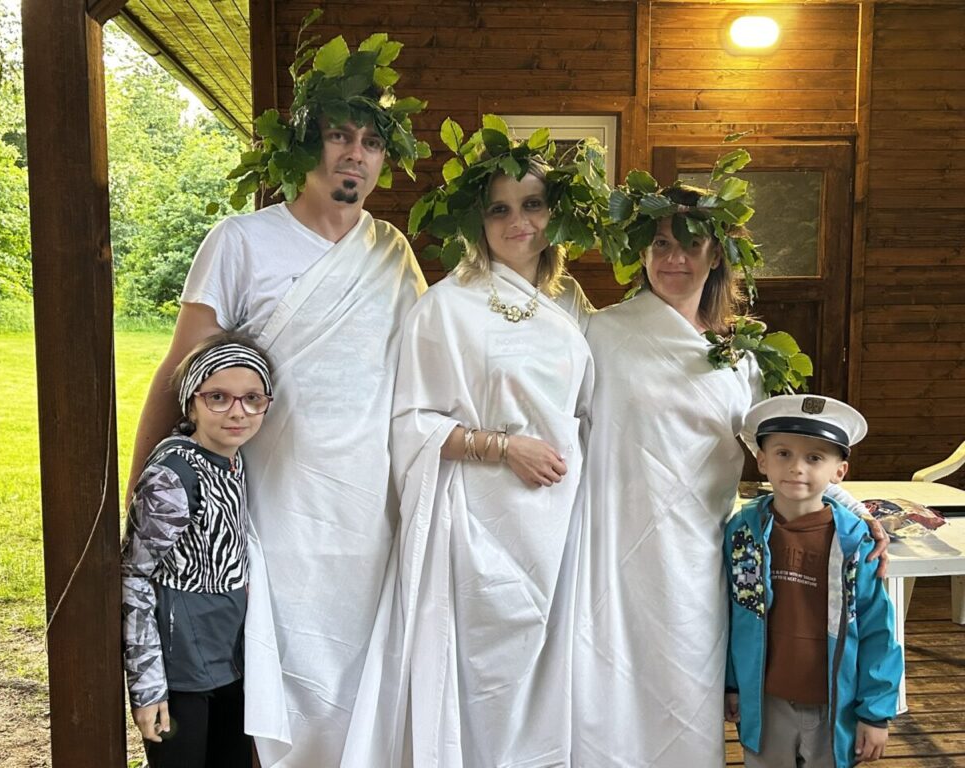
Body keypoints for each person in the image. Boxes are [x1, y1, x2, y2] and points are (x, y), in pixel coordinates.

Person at [124, 24, 428, 767]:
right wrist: (141, 498)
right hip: (267, 499)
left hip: (366, 505)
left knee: (358, 675)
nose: (355, 153)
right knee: (267, 673)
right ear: (302, 144)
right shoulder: (240, 241)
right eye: (339, 135)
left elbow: (432, 368)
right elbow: (180, 369)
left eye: (371, 142)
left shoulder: (392, 252)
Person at [573, 184, 888, 767]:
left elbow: (787, 454)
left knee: (687, 685)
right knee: (611, 682)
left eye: (690, 245)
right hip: (614, 545)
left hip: (703, 552)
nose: (673, 258)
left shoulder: (741, 357)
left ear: (716, 254)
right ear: (641, 251)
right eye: (660, 244)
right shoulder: (602, 334)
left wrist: (856, 512)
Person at [340, 139, 596, 766]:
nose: (518, 222)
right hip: (477, 524)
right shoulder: (445, 307)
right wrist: (506, 448)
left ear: (554, 214)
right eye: (499, 209)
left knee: (545, 674)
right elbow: (412, 422)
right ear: (476, 221)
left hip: (556, 522)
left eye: (532, 205)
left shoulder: (571, 305)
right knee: (480, 675)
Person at [121, 333, 273, 768]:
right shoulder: (174, 477)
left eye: (252, 398)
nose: (237, 412)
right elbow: (134, 575)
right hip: (182, 668)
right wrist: (148, 687)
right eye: (218, 398)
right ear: (192, 404)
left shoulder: (234, 460)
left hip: (230, 659)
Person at [725, 394, 902, 767]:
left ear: (840, 471)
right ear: (761, 460)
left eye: (815, 458)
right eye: (783, 453)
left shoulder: (855, 545)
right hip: (764, 704)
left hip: (834, 708)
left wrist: (874, 713)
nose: (797, 468)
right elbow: (729, 615)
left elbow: (877, 630)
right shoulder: (742, 533)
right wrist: (731, 684)